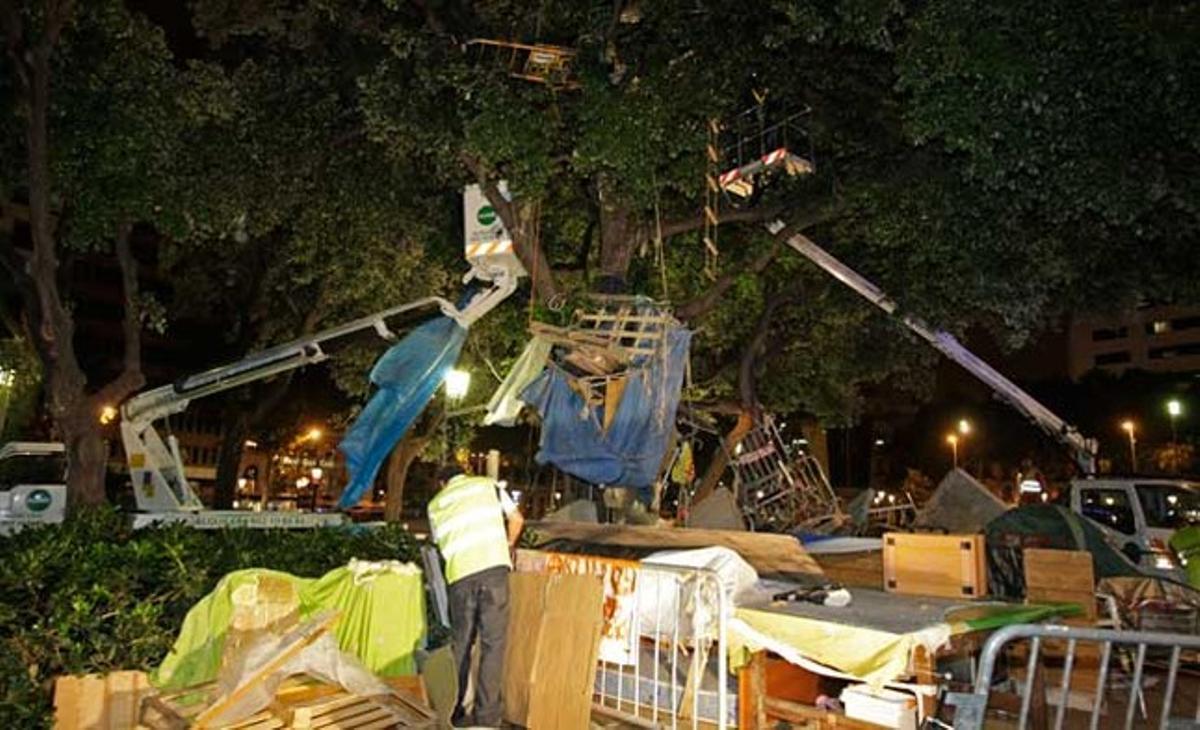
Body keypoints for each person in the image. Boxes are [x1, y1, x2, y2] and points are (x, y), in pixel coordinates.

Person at [427, 463, 524, 727]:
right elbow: (517, 519)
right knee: (493, 645)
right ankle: (487, 717)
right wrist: (507, 545)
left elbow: (440, 542)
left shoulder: (435, 504)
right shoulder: (487, 485)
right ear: (463, 474)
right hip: (493, 571)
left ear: (442, 483)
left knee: (461, 645)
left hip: (460, 577)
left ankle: (456, 711)